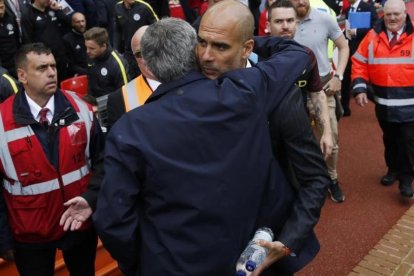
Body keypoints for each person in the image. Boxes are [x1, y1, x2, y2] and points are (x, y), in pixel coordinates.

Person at [94, 2, 328, 276]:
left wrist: (286, 242)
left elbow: (314, 178)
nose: (205, 56)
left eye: (221, 46)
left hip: (258, 259)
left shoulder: (263, 92)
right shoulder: (233, 91)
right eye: (201, 42)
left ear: (247, 48)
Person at [0, 43, 105, 275]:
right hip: (30, 234)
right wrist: (3, 238)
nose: (51, 73)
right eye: (41, 68)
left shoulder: (81, 108)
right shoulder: (1, 121)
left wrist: (91, 199)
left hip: (79, 224)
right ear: (22, 76)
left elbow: (102, 162)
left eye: (53, 66)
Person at [352, 0, 414, 197]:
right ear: (383, 15)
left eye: (396, 14)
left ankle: (406, 179)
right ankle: (393, 170)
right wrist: (360, 88)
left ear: (405, 14)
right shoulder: (372, 37)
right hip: (383, 104)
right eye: (388, 14)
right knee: (390, 139)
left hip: (410, 105)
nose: (392, 18)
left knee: (407, 141)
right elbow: (359, 62)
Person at [291, 0, 349, 203]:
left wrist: (338, 77)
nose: (300, 1)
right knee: (296, 141)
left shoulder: (325, 18)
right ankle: (306, 180)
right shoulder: (284, 23)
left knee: (330, 138)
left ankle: (331, 178)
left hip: (324, 88)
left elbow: (343, 46)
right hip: (292, 91)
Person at [266, 0, 332, 159]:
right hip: (265, 134)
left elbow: (317, 95)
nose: (285, 26)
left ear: (296, 23)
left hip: (298, 131)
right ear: (268, 25)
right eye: (278, 21)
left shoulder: (307, 55)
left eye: (289, 20)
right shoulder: (255, 55)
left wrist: (327, 133)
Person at [106, 26, 160, 130]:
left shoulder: (189, 81)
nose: (146, 58)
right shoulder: (119, 99)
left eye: (150, 49)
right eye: (139, 54)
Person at [341, 0, 378, 116]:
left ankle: (381, 102)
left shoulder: (368, 7)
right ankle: (344, 108)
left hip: (365, 51)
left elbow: (375, 27)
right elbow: (347, 30)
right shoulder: (347, 11)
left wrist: (356, 31)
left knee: (369, 81)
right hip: (350, 49)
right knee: (345, 78)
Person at [21, 0, 72, 82]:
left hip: (61, 56)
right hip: (44, 60)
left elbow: (70, 24)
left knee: (64, 84)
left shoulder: (52, 9)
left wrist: (58, 10)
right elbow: (27, 41)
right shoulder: (27, 15)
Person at [113, 0, 158, 78]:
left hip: (144, 51)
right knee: (132, 78)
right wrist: (116, 48)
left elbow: (157, 27)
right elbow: (117, 30)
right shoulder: (117, 8)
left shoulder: (144, 7)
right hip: (128, 52)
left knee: (149, 76)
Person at [84, 27, 130, 100]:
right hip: (94, 102)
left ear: (103, 46)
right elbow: (90, 81)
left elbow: (124, 94)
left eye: (92, 48)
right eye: (86, 47)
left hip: (111, 105)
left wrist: (100, 106)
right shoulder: (91, 56)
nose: (87, 51)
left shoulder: (117, 64)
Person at [63, 12, 88, 77]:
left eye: (83, 21)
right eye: (78, 22)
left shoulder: (90, 35)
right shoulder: (67, 39)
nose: (81, 24)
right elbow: (70, 64)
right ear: (73, 23)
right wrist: (86, 72)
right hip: (79, 74)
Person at [0, 0, 20, 78]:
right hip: (2, 67)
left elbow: (17, 38)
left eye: (1, 7)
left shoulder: (11, 18)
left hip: (15, 62)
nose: (0, 11)